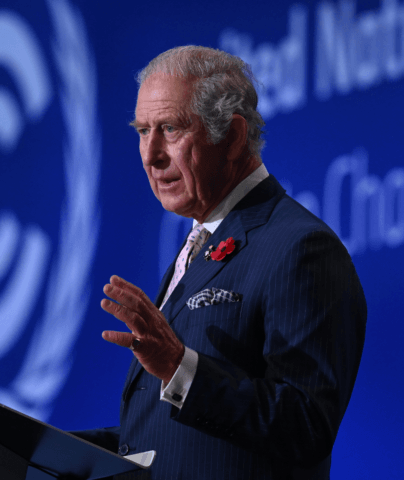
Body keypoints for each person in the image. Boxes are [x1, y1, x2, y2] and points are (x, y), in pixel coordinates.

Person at [73, 46, 366, 479]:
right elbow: (177, 441)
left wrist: (179, 366)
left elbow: (306, 426)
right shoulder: (201, 242)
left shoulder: (300, 248)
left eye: (169, 129)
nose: (150, 155)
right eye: (141, 130)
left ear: (230, 137)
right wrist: (34, 445)